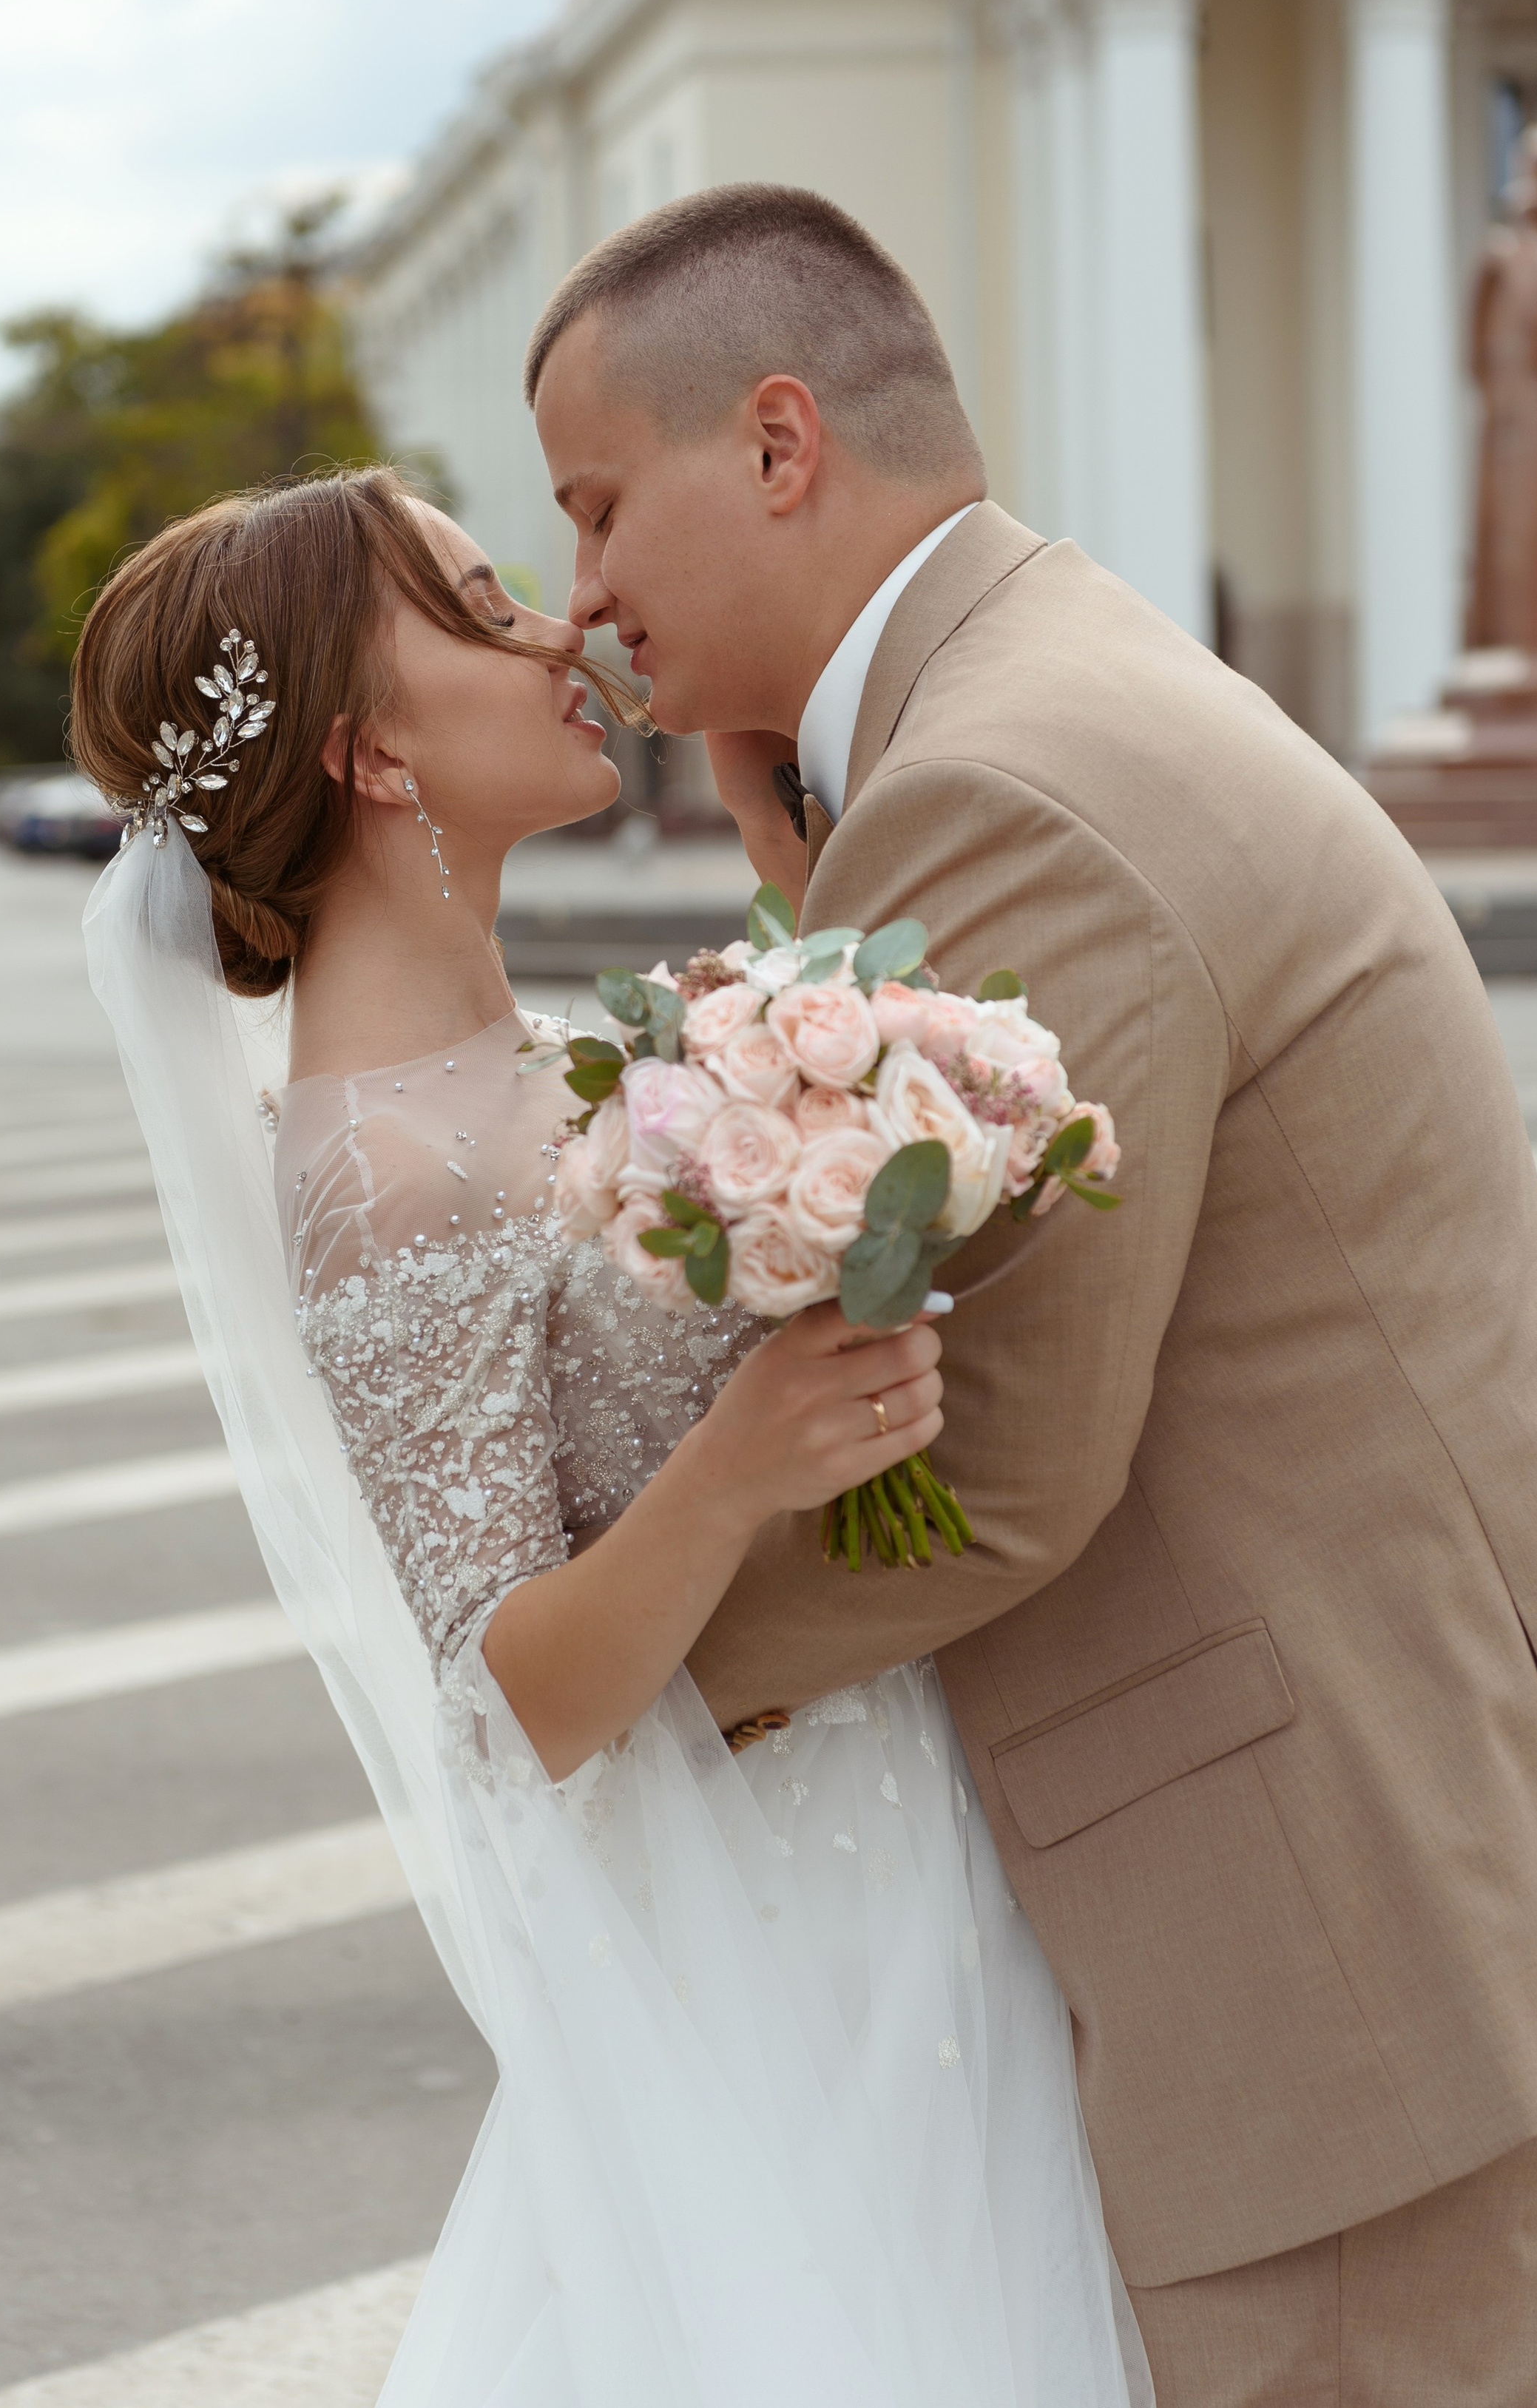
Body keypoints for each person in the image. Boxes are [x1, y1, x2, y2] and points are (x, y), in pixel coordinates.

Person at [526, 181, 1537, 2407]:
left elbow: (994, 1462)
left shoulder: (997, 780)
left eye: (599, 505)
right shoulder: (1024, 690)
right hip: (1401, 1877)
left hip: (1328, 1954)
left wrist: (600, 1720)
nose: (582, 592)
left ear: (781, 445)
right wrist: (819, 879)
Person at [72, 468, 1149, 2407]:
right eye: (483, 606)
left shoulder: (496, 1044)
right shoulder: (375, 1153)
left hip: (883, 1844)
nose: (556, 626)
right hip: (781, 1929)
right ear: (368, 746)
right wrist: (747, 1455)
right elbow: (508, 1706)